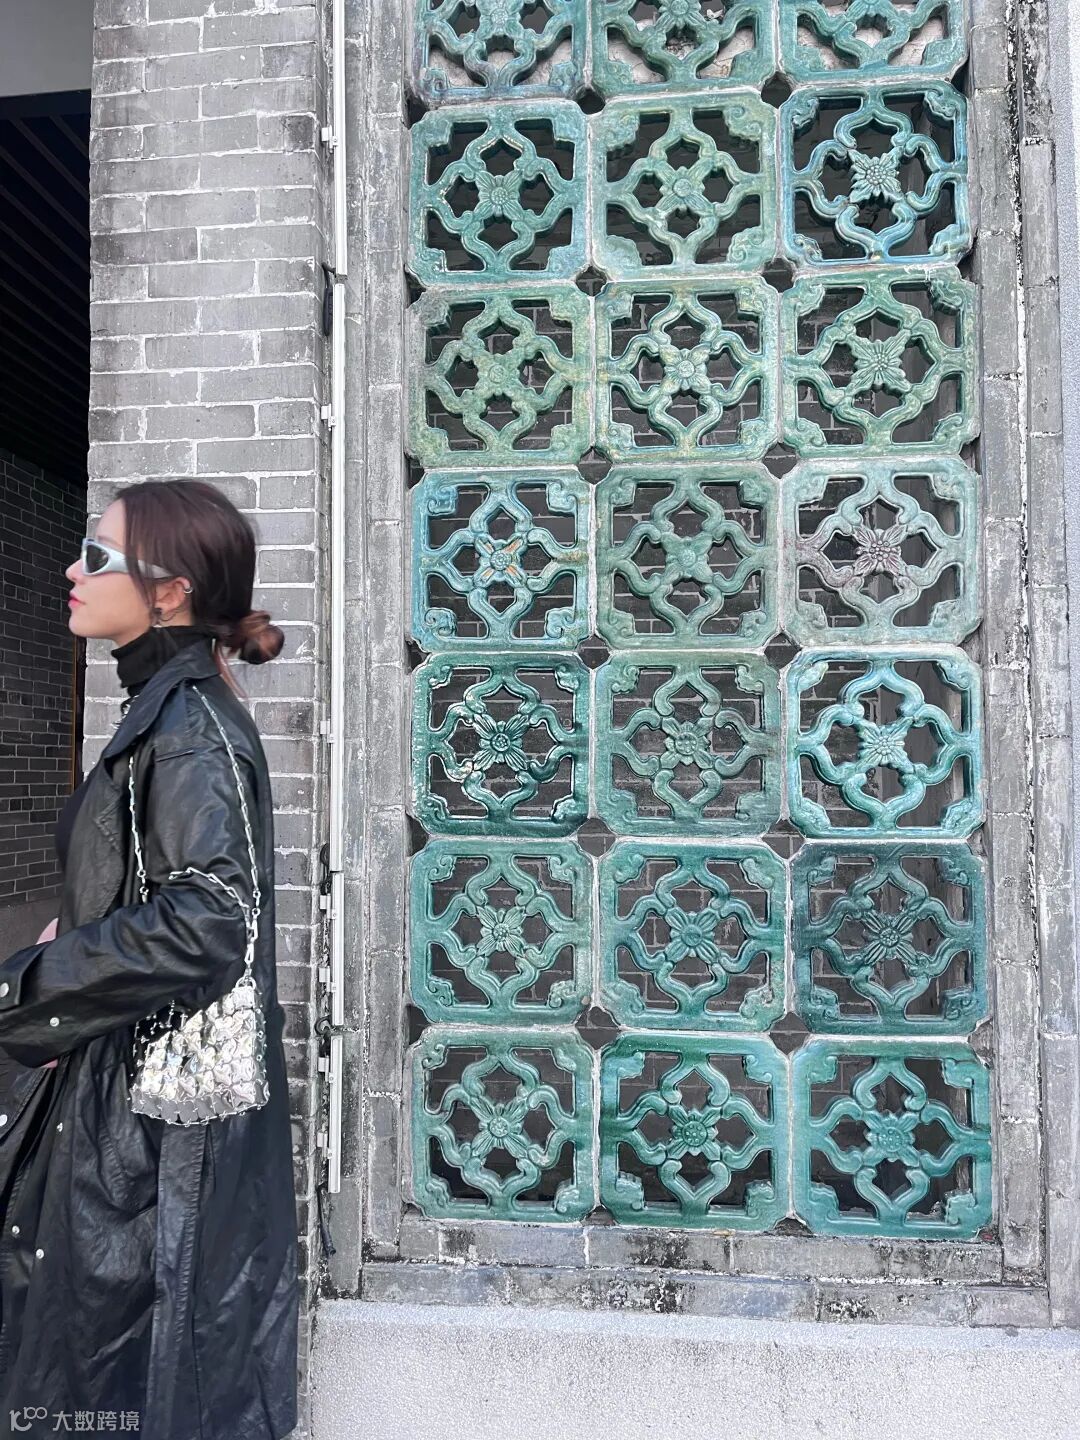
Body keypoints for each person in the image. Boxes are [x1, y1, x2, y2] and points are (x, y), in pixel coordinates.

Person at [0, 480, 299, 1439]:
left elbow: (208, 917)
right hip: (128, 1105)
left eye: (97, 556)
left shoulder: (188, 731)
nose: (72, 569)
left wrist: (28, 986)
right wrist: (75, 935)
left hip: (155, 1133)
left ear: (168, 592)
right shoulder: (166, 712)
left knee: (122, 1382)